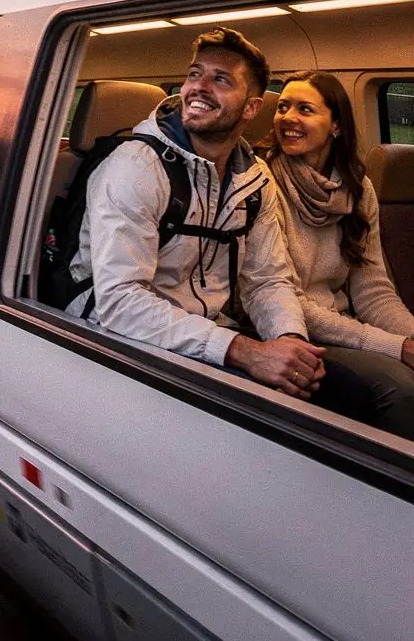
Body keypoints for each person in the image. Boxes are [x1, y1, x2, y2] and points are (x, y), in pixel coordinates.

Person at [67, 27, 328, 402]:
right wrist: (243, 351)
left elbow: (267, 279)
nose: (198, 87)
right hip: (116, 337)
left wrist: (290, 343)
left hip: (207, 335)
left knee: (335, 393)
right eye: (194, 74)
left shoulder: (254, 181)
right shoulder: (135, 167)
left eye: (220, 79)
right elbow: (119, 302)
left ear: (251, 108)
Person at [269, 71, 414, 438]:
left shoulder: (356, 188)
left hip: (343, 324)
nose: (288, 118)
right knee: (400, 388)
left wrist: (412, 339)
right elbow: (286, 301)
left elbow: (373, 291)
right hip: (293, 331)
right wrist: (395, 348)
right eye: (282, 107)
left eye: (305, 109)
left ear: (335, 126)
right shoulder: (263, 183)